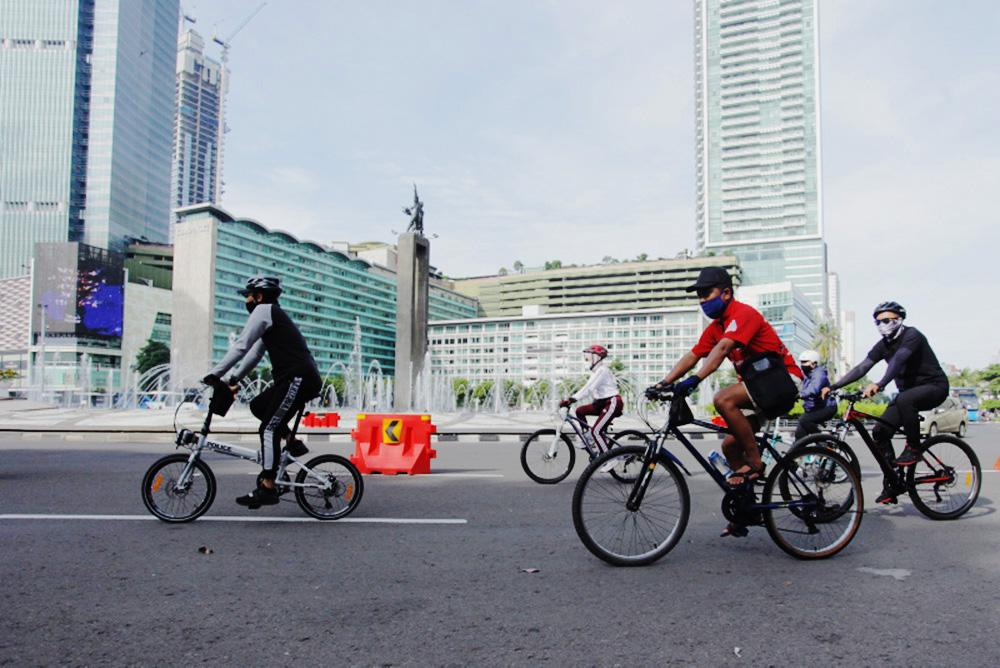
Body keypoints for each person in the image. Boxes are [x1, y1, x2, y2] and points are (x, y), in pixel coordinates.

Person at [650, 267, 803, 510]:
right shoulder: (716, 327)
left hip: (783, 380)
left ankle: (755, 462)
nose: (702, 301)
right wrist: (663, 383)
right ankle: (746, 507)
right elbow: (693, 355)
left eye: (706, 294)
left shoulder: (744, 314)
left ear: (726, 293)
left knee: (723, 399)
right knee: (730, 446)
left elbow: (721, 351)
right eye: (699, 296)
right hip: (759, 387)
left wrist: (695, 380)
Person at [202, 276, 323, 509]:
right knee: (258, 406)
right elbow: (255, 354)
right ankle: (292, 442)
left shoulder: (264, 310)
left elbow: (241, 345)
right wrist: (233, 378)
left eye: (248, 295)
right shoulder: (271, 317)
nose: (246, 300)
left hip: (298, 378)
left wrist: (214, 374)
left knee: (268, 428)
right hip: (292, 379)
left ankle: (268, 486)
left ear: (258, 296)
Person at [822, 301, 948, 504]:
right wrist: (834, 386)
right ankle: (893, 481)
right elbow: (863, 367)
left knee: (905, 398)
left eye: (887, 320)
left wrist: (880, 384)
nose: (882, 325)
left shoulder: (912, 335)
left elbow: (898, 361)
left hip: (934, 387)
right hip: (908, 395)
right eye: (878, 322)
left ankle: (914, 448)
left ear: (899, 320)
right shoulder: (883, 345)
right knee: (880, 432)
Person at [559, 345, 623, 451]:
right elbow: (589, 388)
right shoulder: (597, 371)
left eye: (588, 357)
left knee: (596, 431)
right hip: (601, 403)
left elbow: (589, 388)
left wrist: (572, 399)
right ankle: (588, 437)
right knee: (580, 411)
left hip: (612, 402)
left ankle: (609, 459)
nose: (587, 360)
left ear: (597, 357)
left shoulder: (602, 370)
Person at [795, 349, 838, 441]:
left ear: (814, 364)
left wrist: (800, 395)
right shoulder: (807, 374)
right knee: (799, 437)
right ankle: (796, 454)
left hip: (827, 408)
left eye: (805, 362)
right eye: (801, 362)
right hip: (814, 409)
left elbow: (814, 389)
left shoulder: (819, 374)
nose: (802, 365)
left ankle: (824, 444)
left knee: (804, 420)